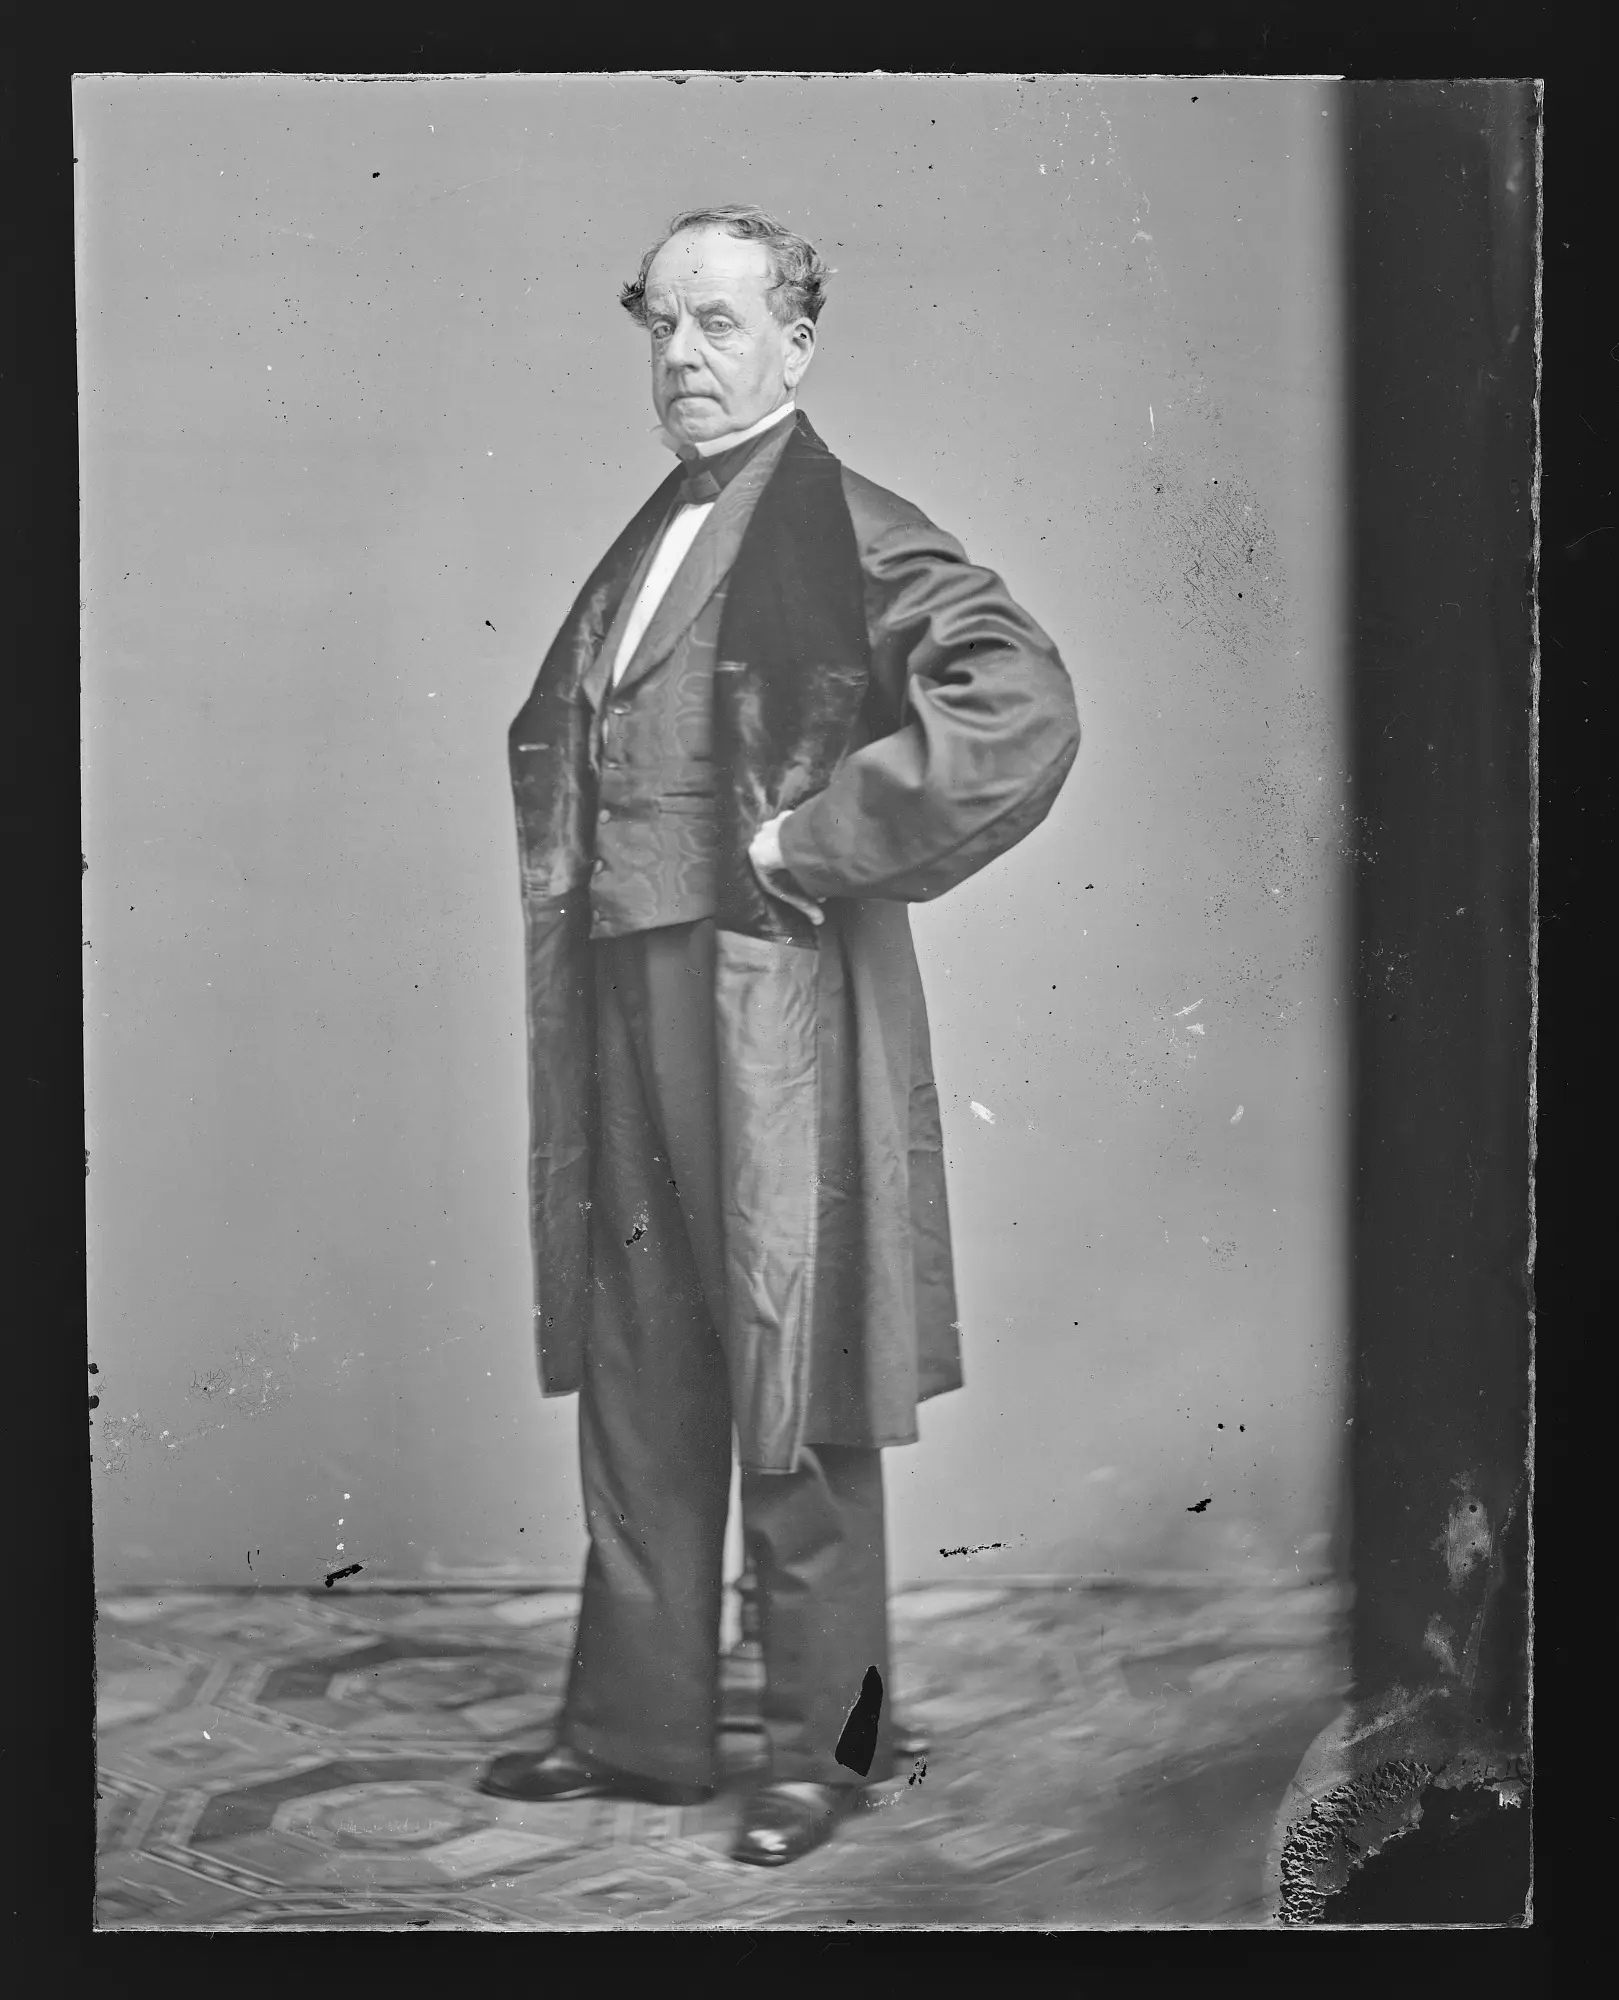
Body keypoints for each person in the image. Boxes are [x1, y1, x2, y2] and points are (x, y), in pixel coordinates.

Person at [478, 203, 1080, 1866]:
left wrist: (812, 842)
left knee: (794, 1356)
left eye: (720, 323)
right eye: (661, 324)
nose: (681, 354)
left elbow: (1016, 701)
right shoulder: (653, 531)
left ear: (796, 345)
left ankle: (830, 1748)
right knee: (643, 1353)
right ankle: (637, 1731)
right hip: (621, 993)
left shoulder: (848, 522)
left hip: (765, 1002)